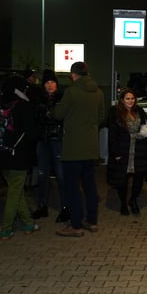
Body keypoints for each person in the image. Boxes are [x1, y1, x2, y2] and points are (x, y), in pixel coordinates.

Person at [53, 61, 106, 237]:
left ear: (73, 74)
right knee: (90, 185)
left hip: (73, 148)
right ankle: (92, 221)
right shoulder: (98, 92)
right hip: (91, 147)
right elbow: (101, 117)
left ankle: (75, 225)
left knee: (73, 187)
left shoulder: (72, 91)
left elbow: (58, 114)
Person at [0, 75, 40, 240]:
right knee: (14, 192)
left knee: (16, 190)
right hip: (18, 155)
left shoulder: (1, 103)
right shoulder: (23, 106)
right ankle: (6, 228)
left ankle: (28, 222)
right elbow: (32, 133)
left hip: (1, 154)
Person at [107, 88, 147, 215]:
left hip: (139, 150)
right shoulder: (115, 112)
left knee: (139, 179)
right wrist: (115, 153)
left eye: (132, 98)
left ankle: (133, 200)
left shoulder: (139, 111)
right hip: (123, 150)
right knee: (122, 180)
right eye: (127, 99)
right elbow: (112, 134)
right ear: (122, 100)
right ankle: (123, 202)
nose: (130, 101)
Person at [31, 69, 65, 221]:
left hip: (57, 139)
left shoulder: (62, 97)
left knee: (61, 174)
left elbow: (60, 117)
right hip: (42, 140)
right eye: (47, 82)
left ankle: (65, 207)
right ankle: (41, 206)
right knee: (42, 174)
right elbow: (36, 117)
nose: (50, 85)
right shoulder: (38, 98)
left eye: (52, 82)